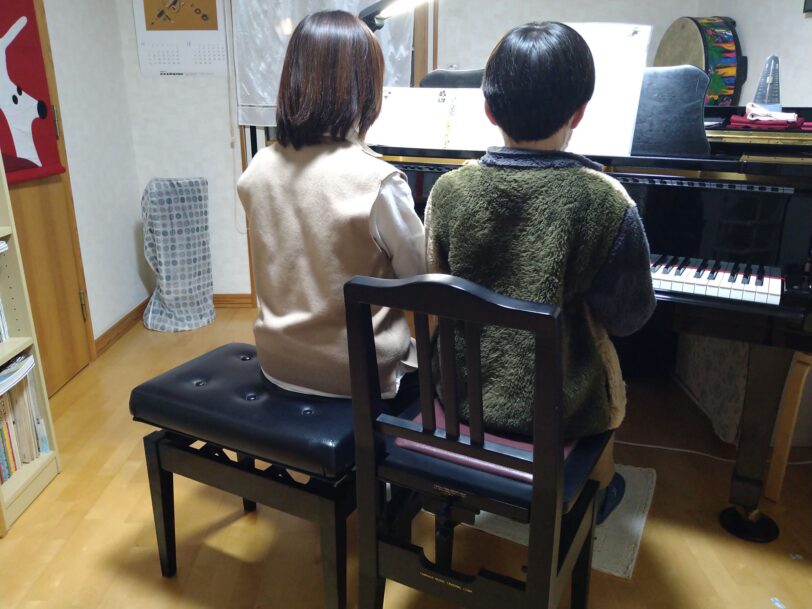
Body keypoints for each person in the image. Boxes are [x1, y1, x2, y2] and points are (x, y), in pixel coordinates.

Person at [424, 22, 656, 522]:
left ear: (488, 110)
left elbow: (436, 286)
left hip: (462, 398)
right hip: (565, 411)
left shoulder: (447, 191)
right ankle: (593, 497)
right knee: (606, 371)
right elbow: (629, 317)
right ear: (579, 112)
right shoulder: (605, 199)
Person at [237, 10, 425, 404]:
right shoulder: (378, 181)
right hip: (363, 374)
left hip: (278, 363)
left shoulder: (258, 167)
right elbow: (420, 280)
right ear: (365, 88)